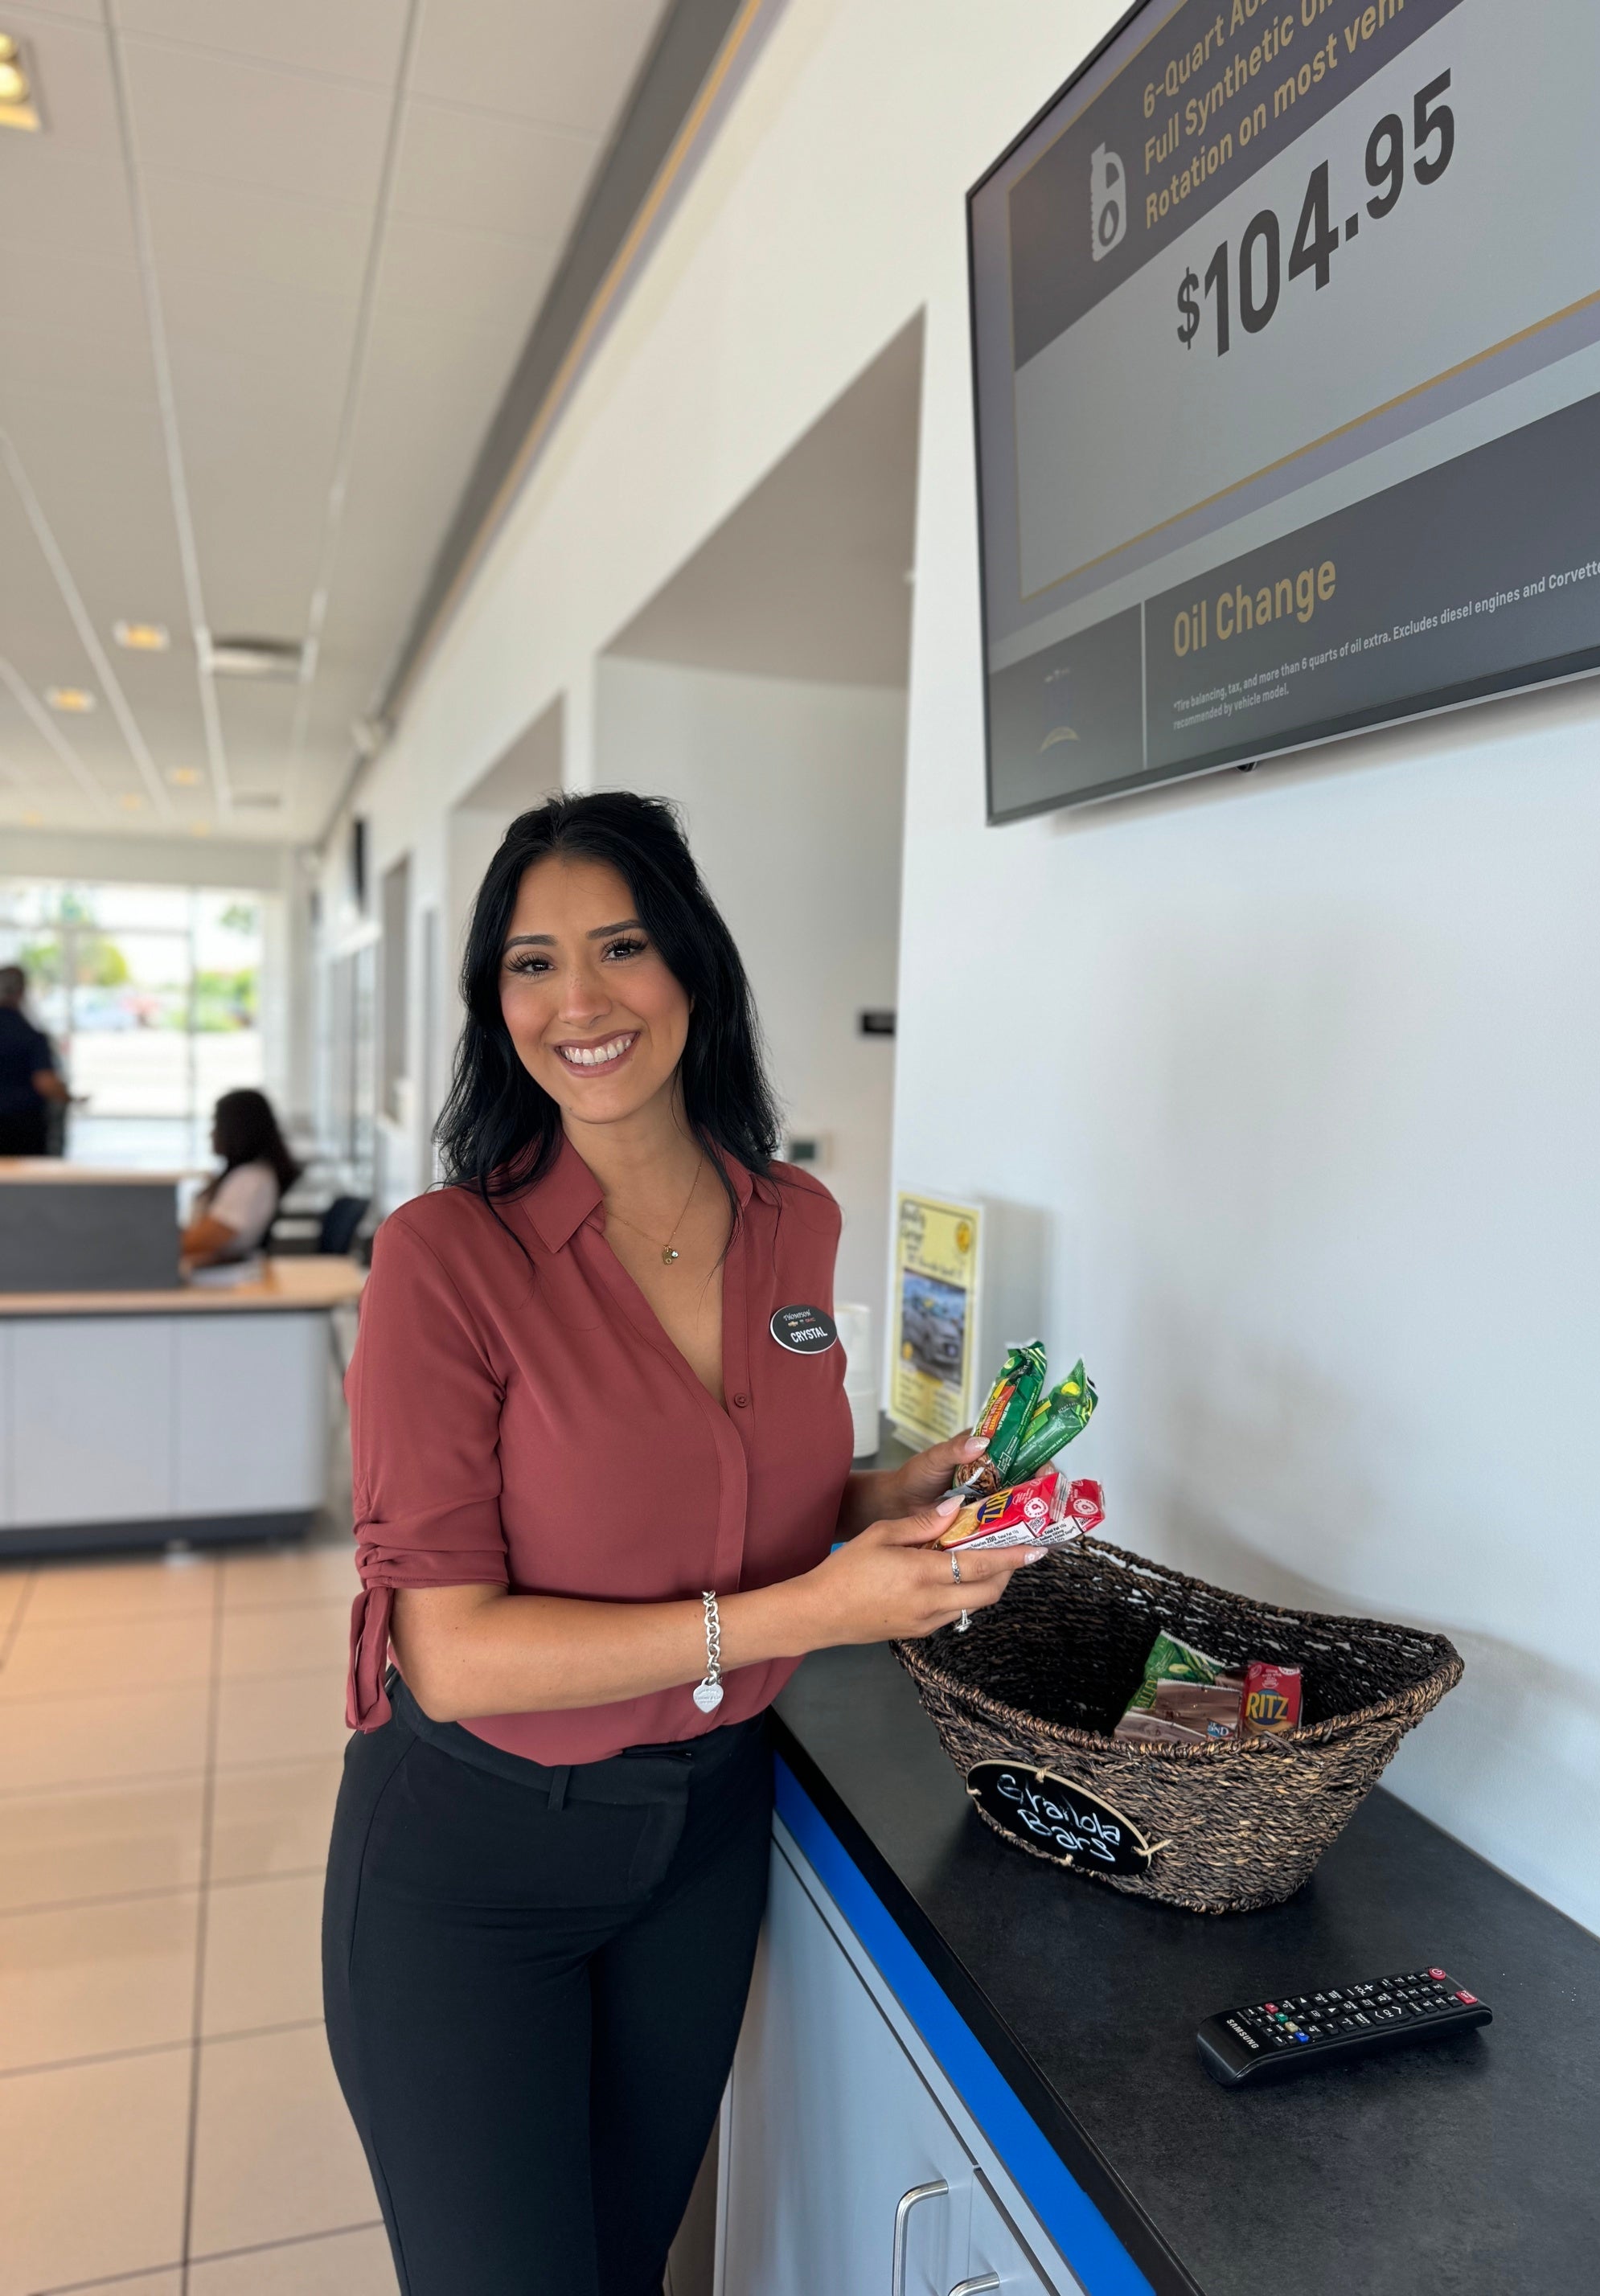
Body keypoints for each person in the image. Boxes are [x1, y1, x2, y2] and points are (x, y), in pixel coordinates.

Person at [322, 793, 1036, 2296]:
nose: (577, 1001)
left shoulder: (796, 1220)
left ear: (690, 967)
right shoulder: (446, 1260)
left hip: (705, 1838)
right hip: (473, 1860)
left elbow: (743, 1492)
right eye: (529, 963)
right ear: (491, 1002)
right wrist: (810, 1612)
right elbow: (452, 1656)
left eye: (619, 947)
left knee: (628, 2264)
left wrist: (884, 1497)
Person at [179, 1087, 301, 1267]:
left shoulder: (250, 1180)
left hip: (222, 1279)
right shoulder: (246, 1175)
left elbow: (200, 1242)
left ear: (237, 1129)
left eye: (216, 1124)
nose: (211, 1134)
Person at [0, 964, 68, 1157]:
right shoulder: (29, 1035)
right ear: (21, 993)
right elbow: (45, 1082)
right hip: (21, 1125)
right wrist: (66, 1096)